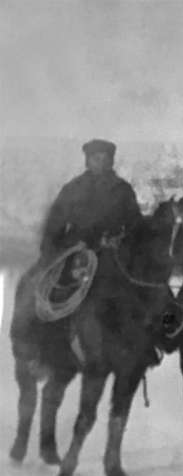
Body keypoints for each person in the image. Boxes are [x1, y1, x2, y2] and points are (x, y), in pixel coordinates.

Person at [10, 139, 143, 369]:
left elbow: (136, 225)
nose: (100, 163)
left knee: (151, 292)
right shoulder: (73, 189)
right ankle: (33, 348)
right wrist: (54, 252)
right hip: (76, 253)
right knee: (33, 286)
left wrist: (121, 239)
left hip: (114, 254)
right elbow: (54, 225)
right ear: (87, 160)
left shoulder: (123, 191)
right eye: (95, 158)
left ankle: (149, 345)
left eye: (105, 158)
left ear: (112, 161)